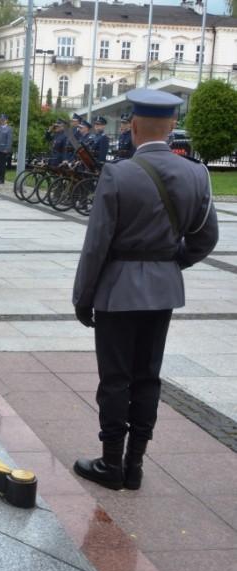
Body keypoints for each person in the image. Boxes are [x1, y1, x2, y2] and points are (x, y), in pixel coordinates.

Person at [72, 89, 218, 492]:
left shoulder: (118, 173)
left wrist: (84, 298)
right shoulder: (197, 174)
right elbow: (206, 238)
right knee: (148, 377)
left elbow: (96, 244)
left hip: (118, 291)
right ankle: (135, 465)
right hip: (163, 291)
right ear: (172, 127)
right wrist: (168, 264)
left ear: (132, 127)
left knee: (116, 378)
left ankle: (110, 463)